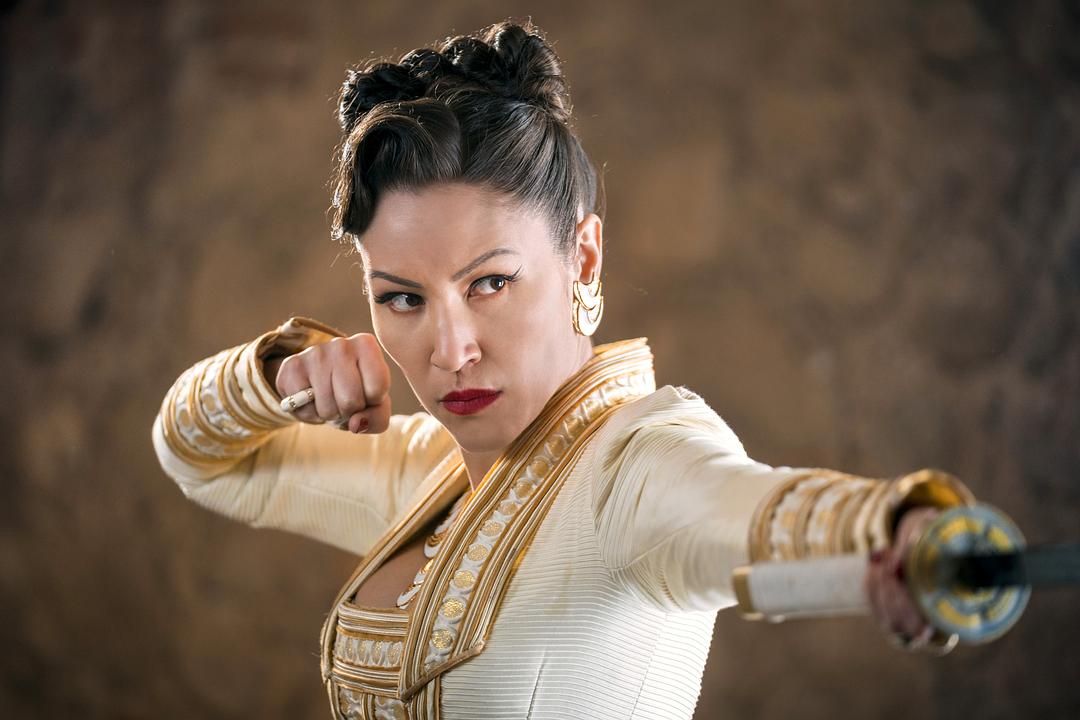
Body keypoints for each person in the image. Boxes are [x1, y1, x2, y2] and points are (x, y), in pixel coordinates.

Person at [150, 20, 976, 720]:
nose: (450, 348)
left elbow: (749, 508)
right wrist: (280, 377)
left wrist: (895, 528)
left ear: (583, 257)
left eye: (490, 284)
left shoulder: (637, 466)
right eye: (402, 298)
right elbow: (196, 457)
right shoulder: (425, 472)